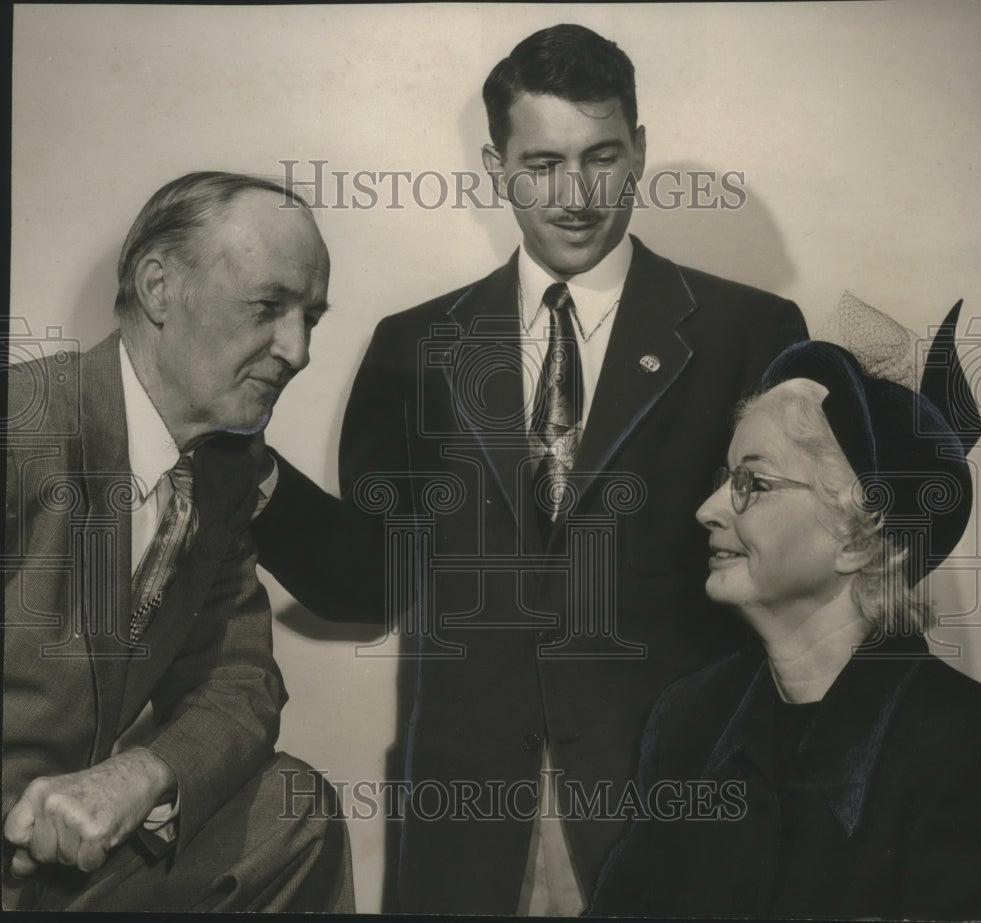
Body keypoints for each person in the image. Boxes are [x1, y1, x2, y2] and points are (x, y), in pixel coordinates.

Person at [253, 24, 806, 914]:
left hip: (678, 801)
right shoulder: (415, 346)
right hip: (467, 810)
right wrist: (246, 468)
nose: (577, 193)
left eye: (603, 156)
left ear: (641, 153)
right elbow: (366, 575)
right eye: (542, 162)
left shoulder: (752, 332)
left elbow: (797, 570)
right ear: (496, 164)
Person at [3, 172, 354, 912]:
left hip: (69, 861)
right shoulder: (21, 426)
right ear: (159, 288)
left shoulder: (219, 475)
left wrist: (143, 774)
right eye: (268, 307)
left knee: (294, 808)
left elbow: (240, 681)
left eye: (309, 317)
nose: (297, 349)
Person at [587, 302, 981, 919]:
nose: (709, 508)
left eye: (753, 482)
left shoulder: (972, 747)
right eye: (725, 476)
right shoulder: (688, 719)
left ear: (859, 536)